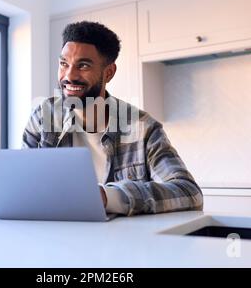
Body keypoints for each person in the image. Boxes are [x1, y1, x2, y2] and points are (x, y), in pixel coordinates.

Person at [22, 21, 203, 216]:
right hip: (54, 237)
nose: (69, 75)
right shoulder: (44, 117)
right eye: (64, 64)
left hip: (121, 243)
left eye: (83, 65)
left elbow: (189, 193)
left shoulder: (142, 128)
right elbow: (22, 184)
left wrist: (109, 197)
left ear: (108, 73)